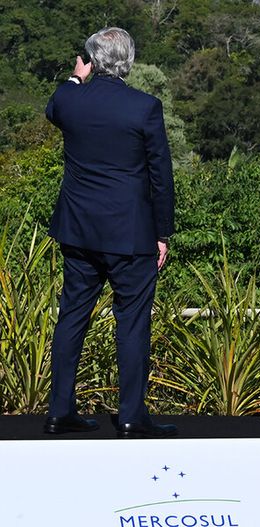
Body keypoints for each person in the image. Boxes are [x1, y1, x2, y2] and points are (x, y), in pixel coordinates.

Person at [43, 27, 177, 439]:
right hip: (130, 234)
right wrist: (163, 233)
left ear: (91, 60)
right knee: (132, 324)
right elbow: (161, 176)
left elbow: (54, 108)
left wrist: (75, 77)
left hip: (79, 230)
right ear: (129, 61)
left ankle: (59, 411)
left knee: (71, 318)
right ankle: (133, 415)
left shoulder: (69, 100)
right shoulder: (144, 107)